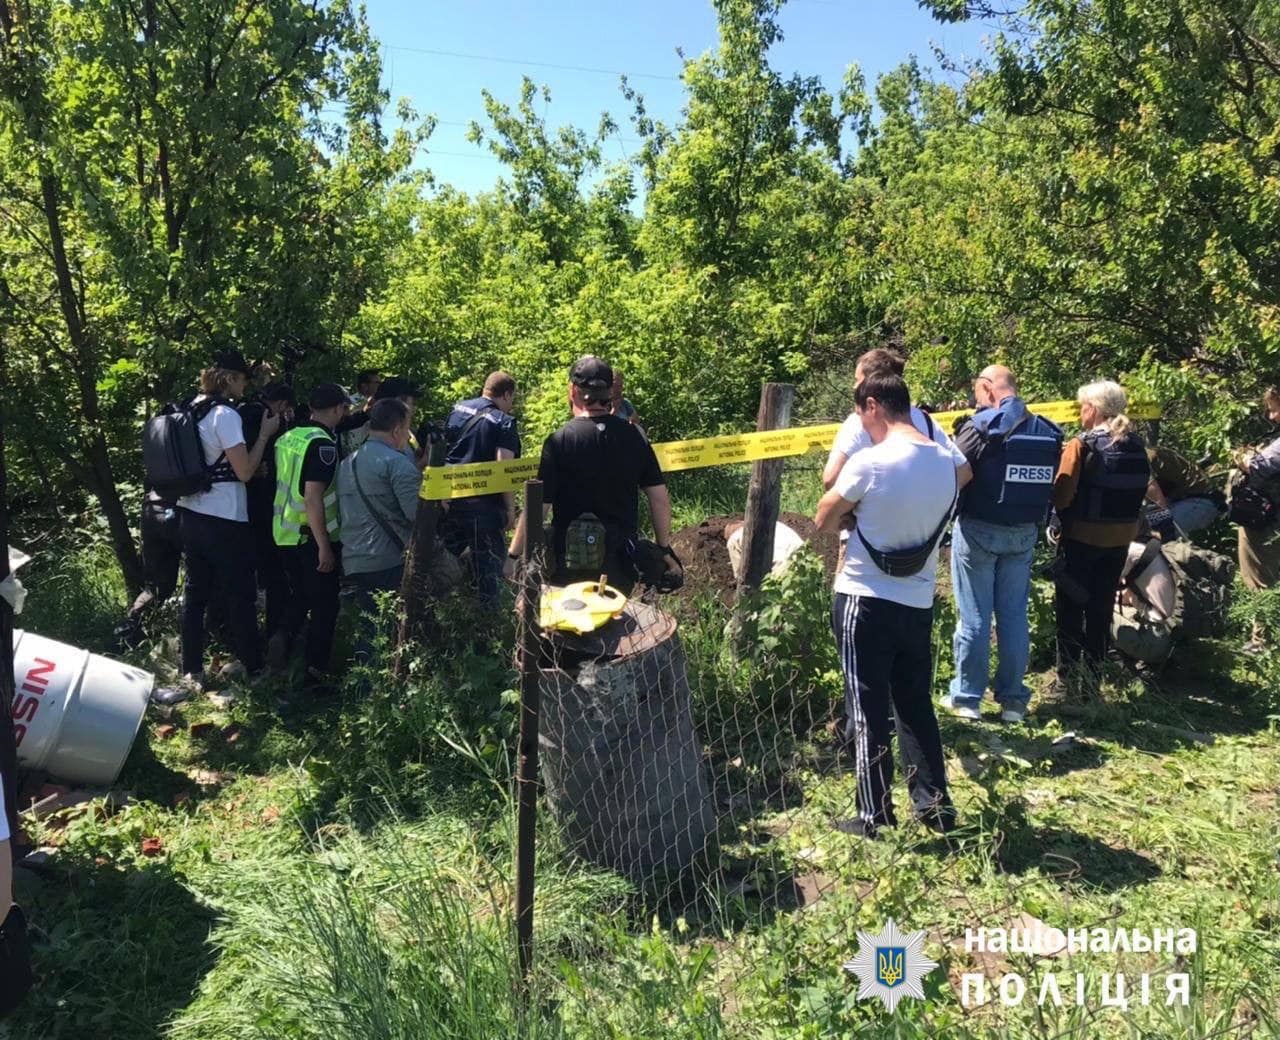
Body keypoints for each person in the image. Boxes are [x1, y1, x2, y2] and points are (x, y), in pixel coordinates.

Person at [815, 371, 969, 839]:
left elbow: (823, 516)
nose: (864, 424)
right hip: (919, 598)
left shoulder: (872, 462)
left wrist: (856, 509)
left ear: (874, 405)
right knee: (915, 703)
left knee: (867, 708)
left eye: (863, 414)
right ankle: (935, 806)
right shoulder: (946, 462)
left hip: (864, 598)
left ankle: (873, 815)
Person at [942, 365, 1062, 723]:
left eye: (978, 393)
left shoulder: (983, 426)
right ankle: (1013, 703)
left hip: (979, 529)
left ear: (987, 388)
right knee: (1013, 617)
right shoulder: (1046, 429)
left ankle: (967, 699)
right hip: (1024, 532)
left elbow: (951, 468)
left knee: (975, 616)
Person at [507, 356, 679, 594]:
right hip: (620, 562)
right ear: (610, 392)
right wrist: (663, 549)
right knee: (619, 625)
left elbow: (539, 507)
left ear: (573, 390)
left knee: (569, 625)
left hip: (568, 561)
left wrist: (514, 554)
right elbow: (659, 499)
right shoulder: (635, 437)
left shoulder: (559, 440)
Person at [176, 350, 281, 687]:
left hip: (190, 511)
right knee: (240, 594)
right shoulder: (225, 414)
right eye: (242, 380)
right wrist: (264, 435)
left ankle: (191, 669)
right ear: (230, 378)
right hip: (224, 518)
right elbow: (245, 472)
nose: (244, 387)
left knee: (195, 595)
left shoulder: (191, 407)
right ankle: (254, 668)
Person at [1050, 380, 1151, 696]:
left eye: (1082, 406)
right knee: (1100, 609)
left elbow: (1062, 494)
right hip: (1120, 541)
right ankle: (1093, 683)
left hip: (1082, 538)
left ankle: (1066, 680)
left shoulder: (1082, 445)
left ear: (1092, 409)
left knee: (1069, 609)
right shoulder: (1137, 444)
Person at [822, 348, 972, 555]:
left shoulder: (859, 419)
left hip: (865, 541)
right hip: (919, 542)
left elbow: (831, 477)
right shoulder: (926, 420)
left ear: (871, 383)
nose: (854, 386)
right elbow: (963, 471)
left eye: (858, 380)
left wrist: (854, 514)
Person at [271, 383, 350, 690]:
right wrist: (324, 548)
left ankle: (281, 638)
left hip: (284, 534)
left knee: (300, 596)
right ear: (334, 409)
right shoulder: (323, 445)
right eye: (343, 408)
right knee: (325, 607)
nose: (345, 413)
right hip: (311, 538)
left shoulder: (289, 437)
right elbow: (312, 497)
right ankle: (314, 676)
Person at [337, 398, 421, 661]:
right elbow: (416, 516)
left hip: (355, 557)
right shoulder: (396, 464)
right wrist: (439, 506)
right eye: (407, 429)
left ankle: (364, 687)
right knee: (394, 629)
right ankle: (381, 688)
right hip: (389, 559)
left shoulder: (347, 462)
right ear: (397, 430)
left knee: (371, 625)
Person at [440, 372, 521, 607]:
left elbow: (444, 450)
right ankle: (489, 629)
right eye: (512, 398)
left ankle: (437, 617)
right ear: (506, 394)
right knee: (490, 574)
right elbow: (503, 466)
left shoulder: (458, 409)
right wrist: (509, 509)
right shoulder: (504, 421)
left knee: (443, 564)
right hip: (482, 508)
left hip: (449, 500)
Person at [1236, 386, 1280, 651]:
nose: (1272, 416)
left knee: (1259, 577)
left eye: (1275, 408)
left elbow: (1258, 467)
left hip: (1267, 521)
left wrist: (1241, 457)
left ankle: (1262, 642)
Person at [114, 488, 182, 649]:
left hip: (152, 508)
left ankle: (125, 639)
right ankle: (215, 639)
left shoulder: (162, 462)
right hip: (184, 508)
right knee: (206, 578)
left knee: (154, 588)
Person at [1145, 444, 1225, 538]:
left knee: (1149, 535)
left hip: (1200, 501)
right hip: (1181, 501)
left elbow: (1159, 504)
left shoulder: (1137, 461)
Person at [339, 376, 420, 459]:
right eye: (413, 403)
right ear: (398, 403)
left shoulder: (407, 434)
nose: (414, 410)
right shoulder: (360, 433)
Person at [611, 370, 646, 438]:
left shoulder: (625, 403)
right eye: (616, 386)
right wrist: (614, 409)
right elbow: (604, 425)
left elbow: (636, 421)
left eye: (620, 386)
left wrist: (632, 421)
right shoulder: (603, 403)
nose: (619, 389)